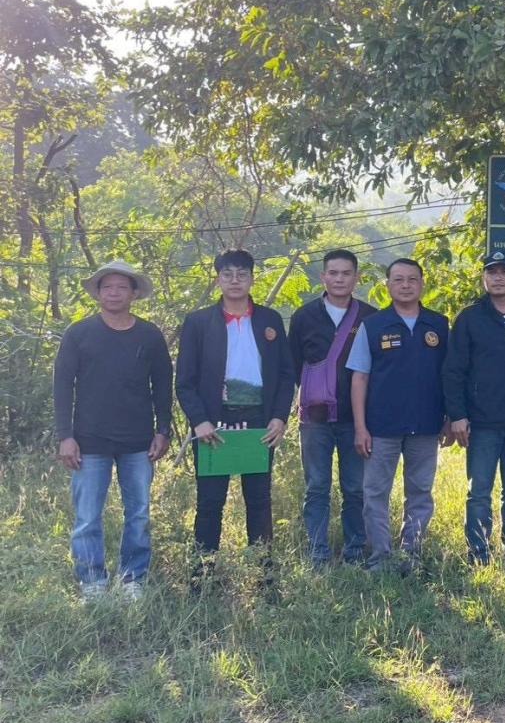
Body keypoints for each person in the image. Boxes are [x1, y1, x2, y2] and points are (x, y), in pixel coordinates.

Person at [54, 261, 172, 601]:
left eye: (122, 287)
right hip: (88, 441)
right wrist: (65, 436)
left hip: (138, 441)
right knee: (87, 516)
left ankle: (133, 578)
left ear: (134, 293)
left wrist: (163, 430)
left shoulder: (149, 335)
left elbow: (163, 384)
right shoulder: (79, 333)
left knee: (138, 513)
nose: (114, 293)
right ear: (98, 293)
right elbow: (62, 385)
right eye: (108, 287)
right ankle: (92, 581)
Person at [176, 250, 293, 571]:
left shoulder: (269, 320)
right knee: (210, 501)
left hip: (259, 421)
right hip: (214, 424)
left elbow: (286, 374)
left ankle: (264, 572)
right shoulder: (199, 322)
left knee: (259, 499)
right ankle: (203, 573)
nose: (235, 280)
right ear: (218, 280)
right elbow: (184, 382)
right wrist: (199, 421)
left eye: (242, 274)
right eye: (227, 274)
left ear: (252, 279)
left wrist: (279, 416)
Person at [442, 249, 505, 564]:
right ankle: (479, 554)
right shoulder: (469, 318)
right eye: (492, 272)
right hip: (481, 423)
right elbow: (454, 371)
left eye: (504, 271)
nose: (498, 278)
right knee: (479, 493)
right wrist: (458, 415)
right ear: (484, 278)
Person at [347, 258, 450, 574]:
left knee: (420, 493)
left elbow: (450, 374)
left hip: (426, 425)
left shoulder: (439, 324)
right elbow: (359, 378)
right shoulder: (373, 325)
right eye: (398, 279)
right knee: (375, 493)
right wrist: (360, 427)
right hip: (381, 427)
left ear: (422, 284)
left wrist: (449, 417)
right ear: (388, 285)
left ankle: (410, 557)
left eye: (412, 279)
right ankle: (381, 558)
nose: (406, 285)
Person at [288, 249, 375, 568]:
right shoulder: (303, 317)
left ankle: (355, 551)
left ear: (357, 278)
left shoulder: (370, 317)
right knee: (316, 487)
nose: (339, 279)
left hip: (357, 420)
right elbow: (292, 367)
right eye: (333, 273)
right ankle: (317, 553)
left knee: (356, 488)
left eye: (346, 273)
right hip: (315, 420)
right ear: (323, 277)